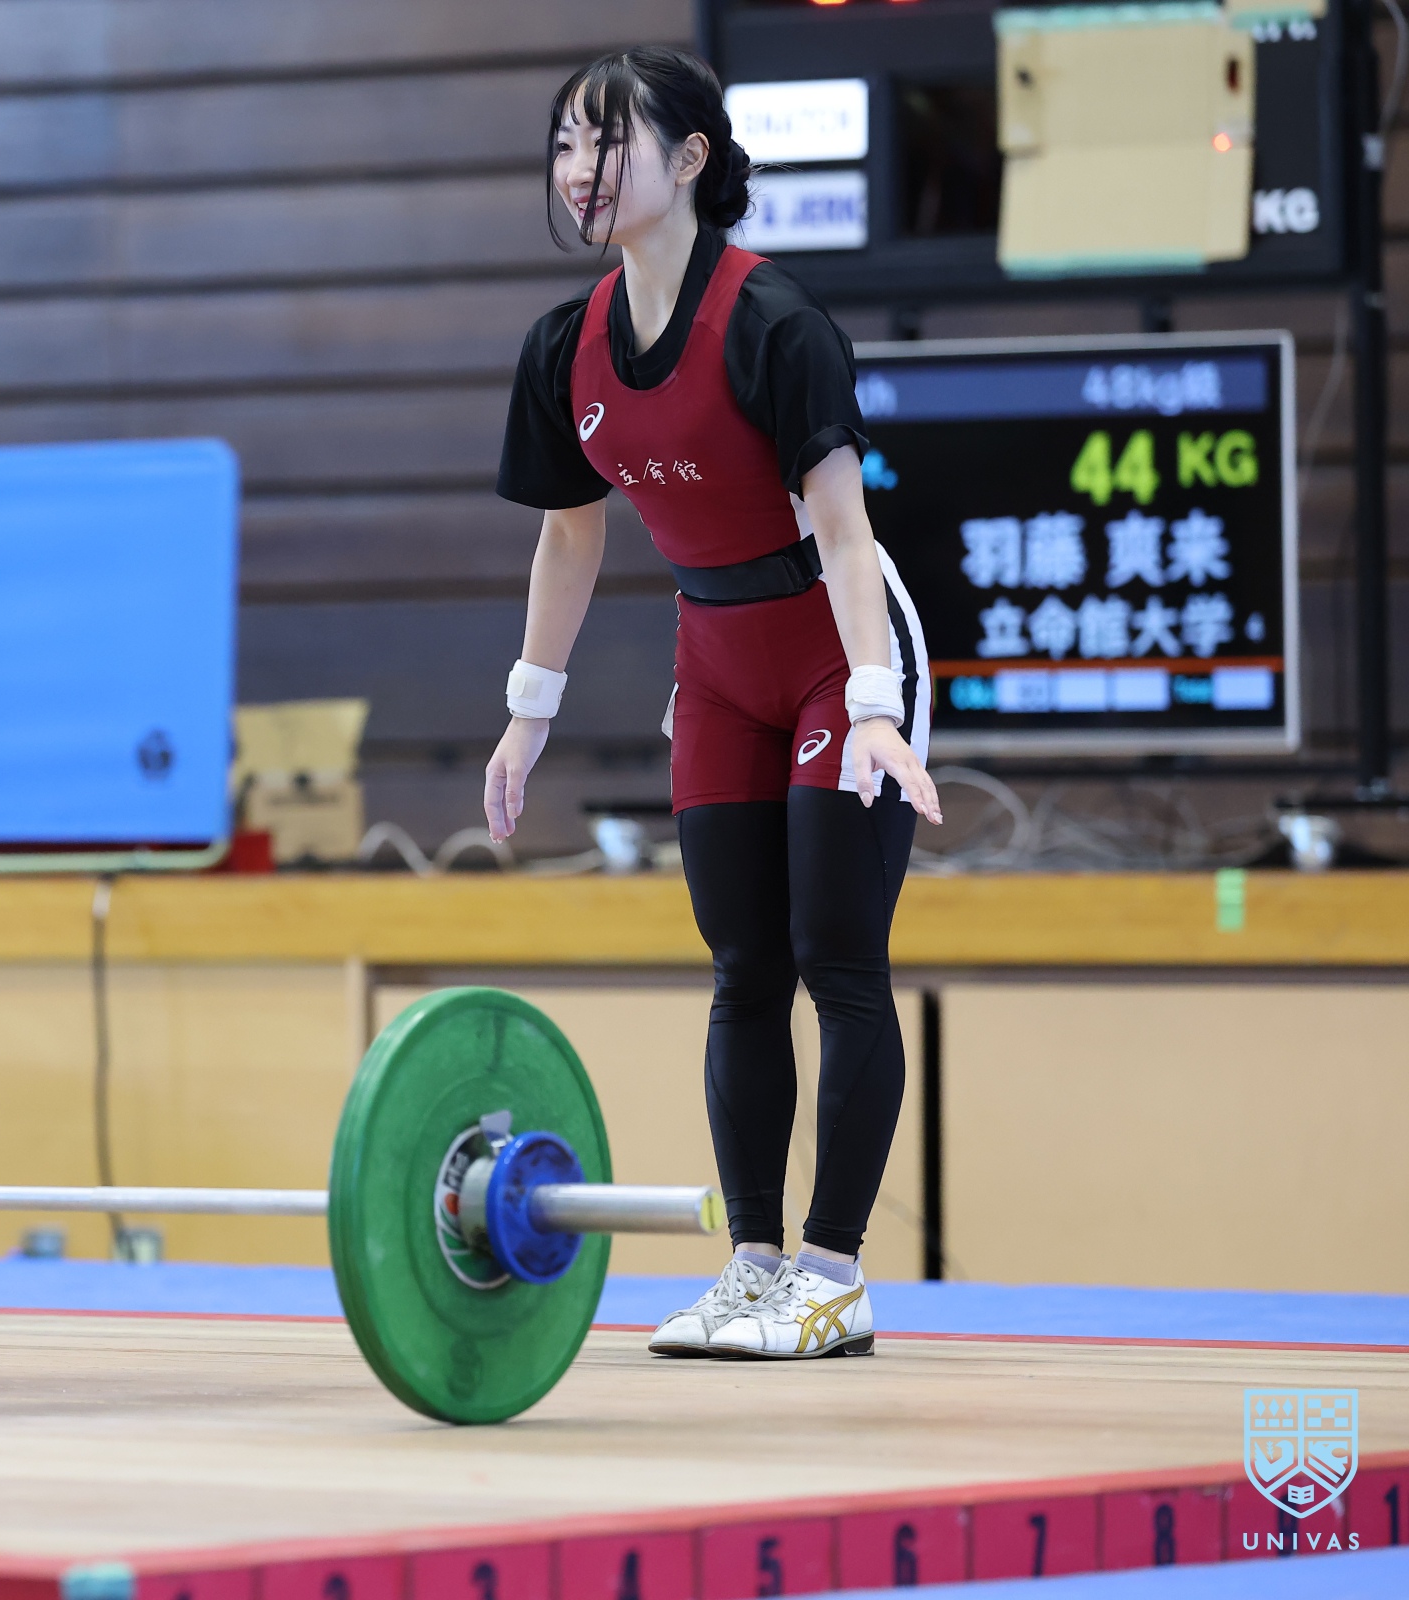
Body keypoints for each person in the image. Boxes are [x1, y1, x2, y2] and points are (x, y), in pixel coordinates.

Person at [488, 46, 944, 1359]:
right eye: (565, 144)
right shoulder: (561, 348)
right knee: (744, 966)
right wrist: (530, 710)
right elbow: (570, 538)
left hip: (836, 647)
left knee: (836, 958)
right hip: (718, 656)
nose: (581, 169)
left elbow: (846, 535)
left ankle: (834, 1275)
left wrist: (874, 705)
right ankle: (755, 1268)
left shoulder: (775, 325)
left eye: (608, 140)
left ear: (690, 158)